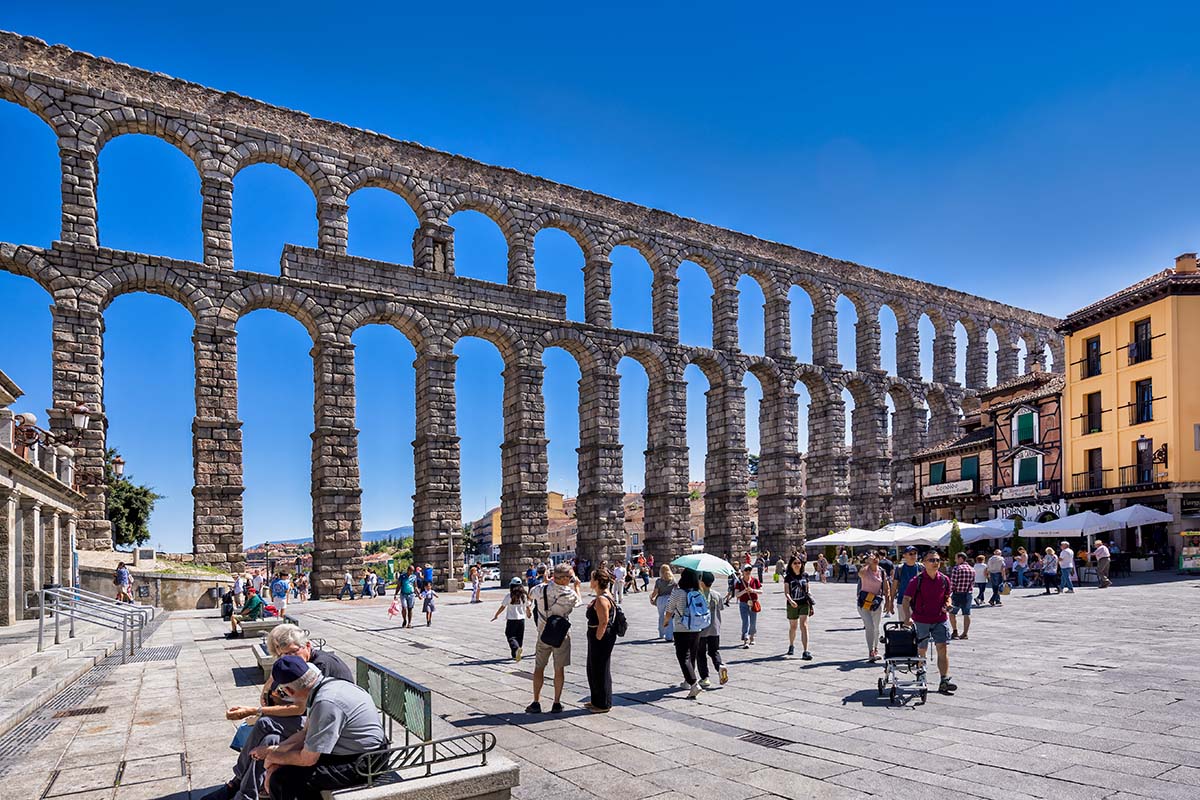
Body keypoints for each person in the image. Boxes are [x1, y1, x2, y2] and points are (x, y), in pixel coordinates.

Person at [206, 626, 353, 800]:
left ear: (307, 645)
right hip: (314, 719)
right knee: (269, 739)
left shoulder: (318, 666)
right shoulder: (299, 662)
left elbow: (300, 708)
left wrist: (255, 712)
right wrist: (271, 682)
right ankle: (245, 793)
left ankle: (237, 782)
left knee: (264, 723)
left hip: (328, 725)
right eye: (281, 655)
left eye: (291, 653)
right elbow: (272, 691)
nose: (287, 659)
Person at [252, 655, 386, 800]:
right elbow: (305, 734)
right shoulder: (324, 686)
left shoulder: (325, 702)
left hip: (366, 763)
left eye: (282, 692)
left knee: (281, 780)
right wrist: (273, 751)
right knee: (287, 770)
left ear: (289, 692)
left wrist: (273, 757)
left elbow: (307, 759)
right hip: (359, 750)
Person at [525, 563, 583, 714]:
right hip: (561, 636)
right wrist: (577, 587)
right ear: (563, 579)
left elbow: (529, 595)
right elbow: (579, 603)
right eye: (570, 577)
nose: (572, 579)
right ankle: (556, 703)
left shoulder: (540, 588)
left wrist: (529, 606)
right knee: (559, 669)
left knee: (539, 668)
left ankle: (536, 702)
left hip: (543, 634)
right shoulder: (569, 594)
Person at [902, 550, 957, 696]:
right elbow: (906, 600)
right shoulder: (917, 580)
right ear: (924, 563)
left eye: (938, 560)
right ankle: (921, 675)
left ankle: (944, 680)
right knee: (922, 649)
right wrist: (907, 617)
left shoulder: (944, 579)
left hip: (940, 619)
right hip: (922, 620)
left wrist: (948, 604)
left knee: (943, 648)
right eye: (932, 560)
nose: (935, 563)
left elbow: (947, 596)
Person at [662, 567, 706, 700]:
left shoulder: (678, 592)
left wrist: (666, 621)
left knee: (683, 656)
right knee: (692, 654)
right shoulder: (699, 592)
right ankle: (688, 681)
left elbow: (669, 609)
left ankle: (693, 683)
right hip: (696, 627)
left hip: (682, 628)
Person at [584, 567, 618, 713]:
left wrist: (598, 637)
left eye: (592, 578)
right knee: (593, 668)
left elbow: (603, 621)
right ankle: (596, 700)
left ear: (597, 581)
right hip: (598, 634)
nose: (590, 581)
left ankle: (603, 704)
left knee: (600, 669)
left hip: (601, 636)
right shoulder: (604, 595)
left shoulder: (602, 599)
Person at [696, 571, 728, 688]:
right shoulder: (717, 595)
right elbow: (721, 608)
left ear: (702, 583)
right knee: (714, 651)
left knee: (700, 654)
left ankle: (705, 678)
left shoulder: (698, 596)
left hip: (701, 629)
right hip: (715, 628)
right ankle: (719, 666)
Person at [856, 553, 888, 662]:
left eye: (876, 557)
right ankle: (870, 651)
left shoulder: (882, 572)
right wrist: (867, 563)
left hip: (876, 603)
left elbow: (886, 588)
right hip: (864, 602)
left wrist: (888, 602)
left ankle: (876, 649)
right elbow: (860, 574)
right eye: (872, 557)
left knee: (876, 627)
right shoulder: (865, 570)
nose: (875, 559)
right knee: (869, 626)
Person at [492, 577, 531, 661]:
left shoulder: (509, 596)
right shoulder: (524, 596)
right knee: (519, 637)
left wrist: (496, 615)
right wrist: (529, 613)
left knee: (510, 635)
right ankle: (516, 655)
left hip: (512, 619)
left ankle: (516, 649)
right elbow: (528, 606)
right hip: (521, 619)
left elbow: (503, 607)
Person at [783, 556, 813, 659]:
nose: (797, 565)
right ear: (791, 565)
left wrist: (810, 597)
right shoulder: (788, 577)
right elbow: (786, 592)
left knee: (804, 625)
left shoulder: (805, 575)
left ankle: (806, 651)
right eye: (795, 563)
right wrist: (791, 601)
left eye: (799, 563)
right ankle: (791, 645)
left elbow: (808, 589)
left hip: (804, 603)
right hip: (792, 604)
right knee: (793, 627)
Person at [948, 552, 975, 640]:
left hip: (957, 594)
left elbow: (953, 583)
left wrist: (948, 594)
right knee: (966, 614)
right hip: (968, 594)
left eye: (956, 558)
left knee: (952, 613)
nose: (955, 560)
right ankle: (965, 633)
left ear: (960, 559)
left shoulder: (957, 568)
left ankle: (955, 631)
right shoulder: (972, 569)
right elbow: (972, 583)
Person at [733, 564, 761, 648]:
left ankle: (752, 636)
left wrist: (753, 590)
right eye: (746, 570)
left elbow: (761, 591)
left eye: (749, 570)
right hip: (743, 604)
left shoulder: (755, 580)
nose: (748, 572)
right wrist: (744, 591)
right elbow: (736, 594)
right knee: (745, 621)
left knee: (753, 622)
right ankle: (746, 639)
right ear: (742, 571)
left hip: (753, 603)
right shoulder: (739, 581)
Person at [650, 565, 676, 642]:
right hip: (670, 599)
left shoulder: (659, 581)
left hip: (661, 599)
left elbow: (655, 592)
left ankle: (662, 633)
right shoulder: (673, 580)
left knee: (661, 616)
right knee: (669, 617)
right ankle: (669, 635)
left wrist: (651, 597)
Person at [894, 547, 920, 623]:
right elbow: (894, 586)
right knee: (904, 625)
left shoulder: (921, 567)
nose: (913, 556)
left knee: (919, 626)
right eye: (911, 554)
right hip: (902, 601)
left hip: (918, 602)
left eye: (915, 553)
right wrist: (890, 602)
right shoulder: (900, 568)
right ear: (904, 555)